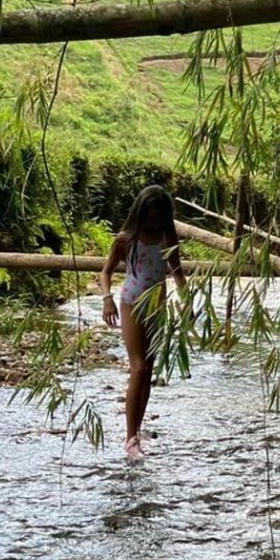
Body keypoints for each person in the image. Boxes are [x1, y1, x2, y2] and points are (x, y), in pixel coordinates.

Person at [100, 185, 185, 461]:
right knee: (137, 367)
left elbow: (177, 272)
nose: (154, 221)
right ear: (140, 212)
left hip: (157, 307)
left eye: (159, 216)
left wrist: (188, 303)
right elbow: (106, 271)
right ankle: (130, 439)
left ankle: (136, 430)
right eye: (150, 215)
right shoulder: (126, 239)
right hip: (131, 304)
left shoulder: (166, 236)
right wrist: (106, 299)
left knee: (148, 370)